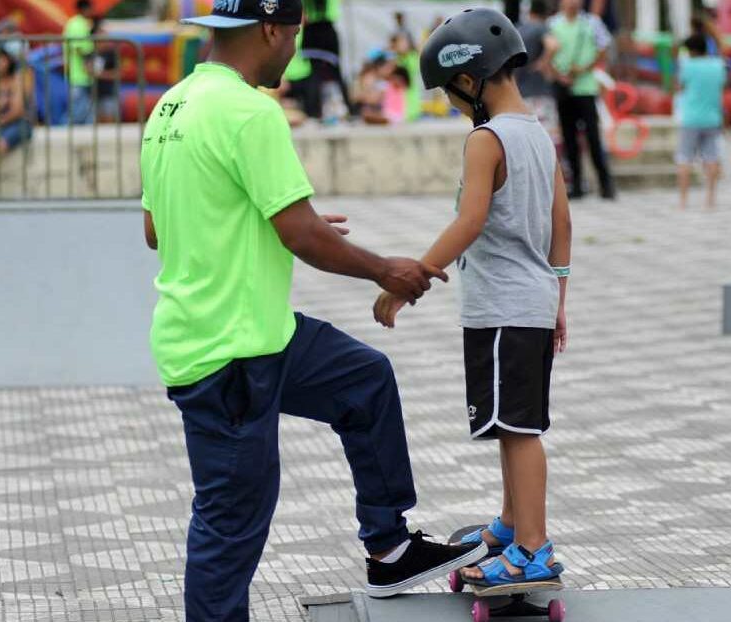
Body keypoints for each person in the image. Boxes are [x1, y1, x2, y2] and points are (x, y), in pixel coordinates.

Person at [141, 1, 488, 619]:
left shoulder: (172, 105)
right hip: (230, 355)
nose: (294, 54)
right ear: (273, 29)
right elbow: (302, 236)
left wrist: (262, 216)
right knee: (231, 523)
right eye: (295, 37)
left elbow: (155, 227)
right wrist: (387, 270)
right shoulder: (251, 112)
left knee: (364, 381)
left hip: (257, 334)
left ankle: (389, 548)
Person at [375, 7, 572, 587]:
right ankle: (512, 525)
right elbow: (561, 223)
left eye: (450, 94)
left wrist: (411, 278)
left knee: (518, 431)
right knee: (513, 424)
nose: (453, 106)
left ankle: (534, 547)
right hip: (531, 301)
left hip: (503, 307)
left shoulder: (485, 140)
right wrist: (558, 298)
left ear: (468, 79)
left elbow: (470, 219)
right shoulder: (537, 133)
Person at [549, 0, 616, 200]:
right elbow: (547, 52)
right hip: (563, 88)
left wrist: (585, 68)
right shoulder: (553, 24)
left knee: (593, 137)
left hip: (586, 87)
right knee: (569, 138)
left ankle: (605, 184)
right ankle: (576, 184)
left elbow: (604, 47)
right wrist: (558, 74)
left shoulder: (591, 23)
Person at [675, 33, 727, 211]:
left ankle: (683, 201)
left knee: (684, 159)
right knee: (712, 158)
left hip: (690, 119)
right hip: (713, 118)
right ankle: (710, 199)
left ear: (691, 50)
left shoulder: (687, 66)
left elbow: (680, 87)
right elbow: (721, 88)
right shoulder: (718, 65)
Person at [301, 0, 353, 117]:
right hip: (327, 31)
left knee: (314, 74)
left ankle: (313, 110)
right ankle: (349, 108)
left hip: (311, 32)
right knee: (336, 73)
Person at [516, 0, 559, 138]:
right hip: (540, 92)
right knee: (546, 137)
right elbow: (553, 45)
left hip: (520, 93)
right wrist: (543, 62)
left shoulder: (518, 29)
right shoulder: (541, 27)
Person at [62, 0, 95, 125]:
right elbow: (78, 47)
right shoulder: (78, 24)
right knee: (77, 110)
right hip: (78, 75)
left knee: (85, 110)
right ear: (85, 9)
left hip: (81, 75)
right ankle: (63, 132)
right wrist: (89, 64)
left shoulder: (77, 23)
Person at [0, 47, 32, 156]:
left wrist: (0, 121)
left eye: (1, 59)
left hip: (18, 124)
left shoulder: (18, 78)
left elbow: (18, 110)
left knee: (1, 144)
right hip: (1, 124)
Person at [90, 18, 120, 123]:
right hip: (93, 93)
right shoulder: (91, 53)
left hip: (108, 93)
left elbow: (118, 73)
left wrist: (100, 75)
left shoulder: (111, 53)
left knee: (109, 119)